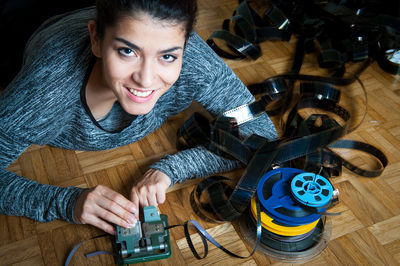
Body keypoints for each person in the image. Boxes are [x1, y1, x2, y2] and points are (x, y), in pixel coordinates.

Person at [0, 0, 277, 235]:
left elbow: (260, 132)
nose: (145, 79)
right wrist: (65, 202)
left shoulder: (194, 59)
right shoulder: (48, 88)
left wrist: (171, 170)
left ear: (186, 45)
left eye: (167, 56)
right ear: (96, 39)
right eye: (127, 51)